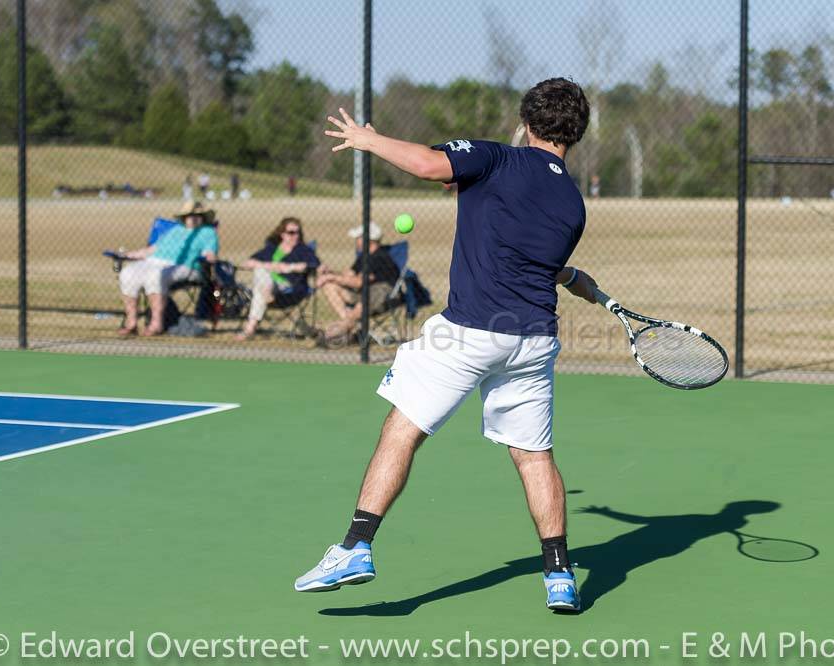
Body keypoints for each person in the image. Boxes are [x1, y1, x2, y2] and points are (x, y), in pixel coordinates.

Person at [294, 78, 599, 613]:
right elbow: (537, 262)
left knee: (403, 428)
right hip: (532, 341)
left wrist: (369, 139)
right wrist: (576, 278)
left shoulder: (497, 157)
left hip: (469, 331)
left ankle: (355, 547)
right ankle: (558, 576)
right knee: (533, 457)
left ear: (526, 122)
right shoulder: (572, 202)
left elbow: (430, 164)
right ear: (576, 134)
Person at [117, 201, 219, 337]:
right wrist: (129, 255)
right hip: (154, 261)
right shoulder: (175, 230)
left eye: (197, 215)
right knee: (127, 273)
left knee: (155, 275)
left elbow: (210, 254)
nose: (193, 218)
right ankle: (131, 323)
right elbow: (152, 249)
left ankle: (156, 324)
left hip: (186, 266)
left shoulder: (207, 232)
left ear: (203, 217)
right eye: (189, 215)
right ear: (184, 217)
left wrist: (209, 257)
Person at [314, 222, 399, 345]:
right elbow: (348, 275)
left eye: (358, 238)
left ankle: (334, 335)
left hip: (381, 295)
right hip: (362, 293)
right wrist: (330, 274)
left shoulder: (380, 257)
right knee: (329, 285)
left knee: (363, 301)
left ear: (368, 239)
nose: (356, 241)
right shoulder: (363, 256)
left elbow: (359, 282)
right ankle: (346, 326)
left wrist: (331, 277)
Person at [235, 217, 320, 341]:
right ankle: (267, 293)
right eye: (291, 233)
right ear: (282, 234)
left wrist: (290, 267)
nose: (295, 236)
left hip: (290, 288)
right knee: (261, 272)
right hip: (269, 286)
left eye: (298, 232)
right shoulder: (272, 249)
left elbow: (314, 264)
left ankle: (249, 329)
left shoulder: (303, 250)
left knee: (260, 286)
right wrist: (272, 266)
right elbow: (248, 263)